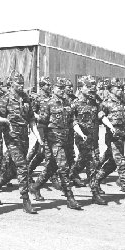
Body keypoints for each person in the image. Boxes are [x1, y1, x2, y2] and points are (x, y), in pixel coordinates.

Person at [0, 71, 43, 214]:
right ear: (11, 83)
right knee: (23, 167)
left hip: (24, 138)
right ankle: (25, 200)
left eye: (22, 83)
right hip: (11, 138)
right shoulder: (5, 99)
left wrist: (38, 137)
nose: (20, 86)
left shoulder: (25, 98)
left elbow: (31, 119)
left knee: (12, 171)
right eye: (18, 83)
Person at [29, 77, 81, 210]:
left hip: (65, 140)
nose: (62, 91)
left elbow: (72, 122)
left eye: (64, 88)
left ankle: (35, 187)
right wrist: (41, 141)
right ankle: (70, 197)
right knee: (63, 167)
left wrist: (81, 133)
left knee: (51, 167)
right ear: (54, 88)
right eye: (59, 88)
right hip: (53, 141)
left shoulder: (67, 103)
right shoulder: (48, 103)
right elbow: (42, 123)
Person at [70, 76, 107, 205]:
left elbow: (100, 115)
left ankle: (73, 175)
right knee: (90, 163)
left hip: (94, 139)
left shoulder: (94, 102)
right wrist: (80, 134)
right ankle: (93, 191)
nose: (91, 88)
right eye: (88, 86)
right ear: (80, 88)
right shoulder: (75, 103)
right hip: (82, 139)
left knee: (92, 163)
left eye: (92, 86)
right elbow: (72, 121)